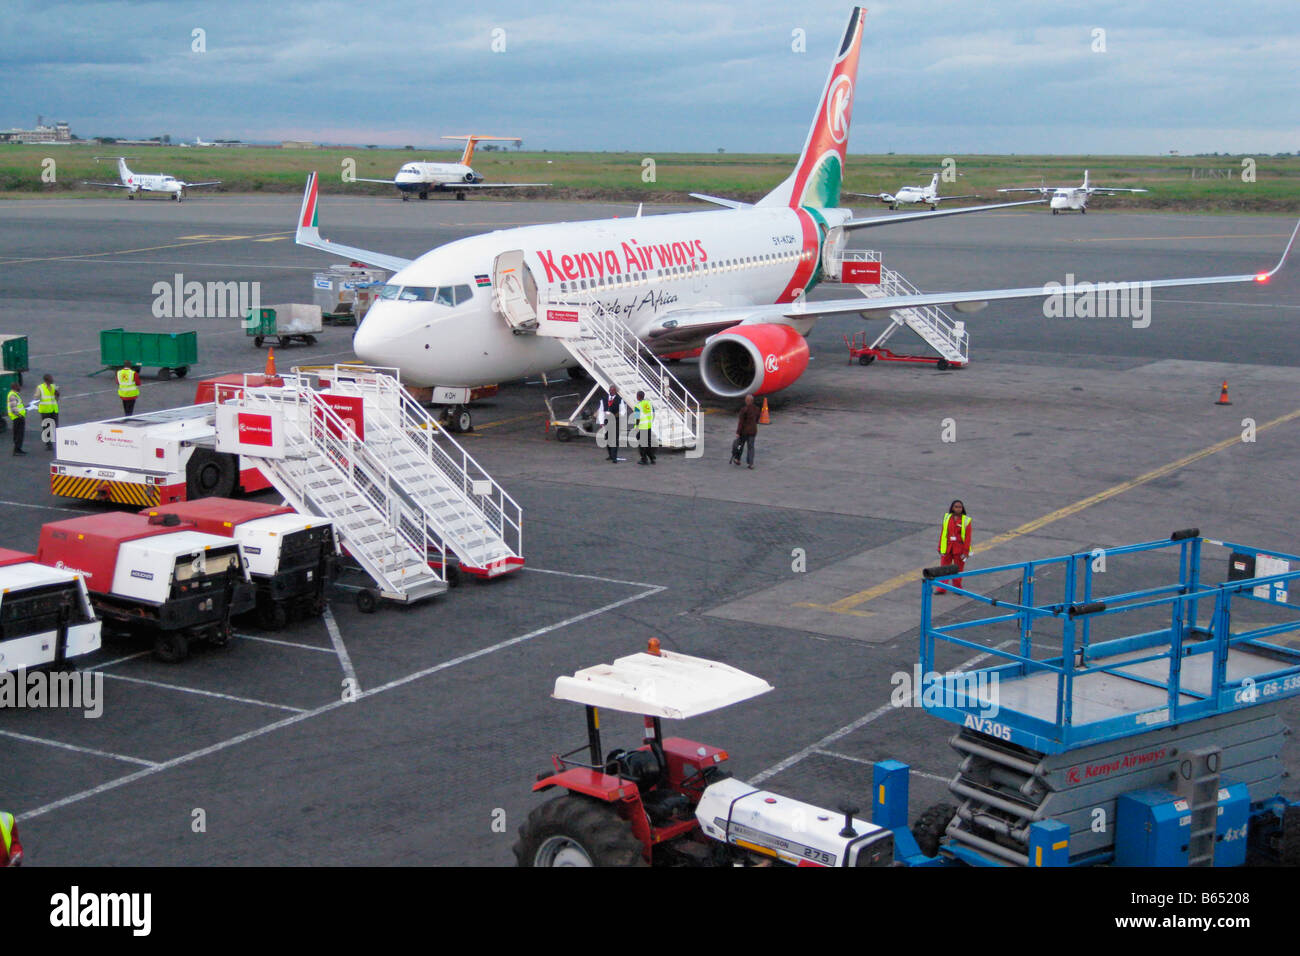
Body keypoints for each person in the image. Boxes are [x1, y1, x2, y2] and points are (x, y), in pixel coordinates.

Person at [937, 500, 971, 593]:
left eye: (960, 507)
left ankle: (957, 588)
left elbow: (968, 537)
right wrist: (940, 546)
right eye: (956, 507)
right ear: (952, 507)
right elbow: (943, 533)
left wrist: (966, 552)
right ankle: (941, 588)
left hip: (959, 549)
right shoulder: (947, 518)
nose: (958, 509)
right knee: (944, 568)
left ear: (962, 508)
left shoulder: (966, 520)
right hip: (947, 547)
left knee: (958, 569)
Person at [731, 393, 761, 469]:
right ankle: (751, 463)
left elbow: (740, 422)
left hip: (744, 432)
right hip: (753, 431)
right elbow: (757, 419)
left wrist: (738, 432)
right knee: (751, 447)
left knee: (740, 445)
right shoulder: (757, 409)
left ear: (746, 401)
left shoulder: (744, 410)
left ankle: (737, 459)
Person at [599, 385, 625, 462]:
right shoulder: (603, 399)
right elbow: (601, 411)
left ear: (616, 391)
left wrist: (617, 415)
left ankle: (614, 457)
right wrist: (601, 422)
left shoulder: (620, 400)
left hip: (615, 421)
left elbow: (623, 411)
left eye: (613, 390)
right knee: (607, 438)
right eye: (610, 390)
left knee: (614, 439)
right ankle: (610, 455)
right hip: (606, 421)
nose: (611, 392)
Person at [37, 373, 59, 451]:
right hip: (45, 411)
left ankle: (54, 441)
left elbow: (56, 398)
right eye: (50, 379)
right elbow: (36, 397)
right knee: (46, 428)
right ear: (46, 380)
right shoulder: (40, 388)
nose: (52, 380)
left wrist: (57, 393)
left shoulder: (54, 387)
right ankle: (48, 444)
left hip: (53, 410)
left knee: (55, 426)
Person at [633, 389, 656, 465]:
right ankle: (652, 458)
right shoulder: (649, 403)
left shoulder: (638, 406)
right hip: (648, 426)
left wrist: (636, 427)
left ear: (638, 397)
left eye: (637, 396)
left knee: (641, 444)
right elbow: (653, 412)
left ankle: (644, 459)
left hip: (642, 427)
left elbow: (637, 417)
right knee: (648, 444)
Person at [7, 380, 26, 455]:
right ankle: (16, 450)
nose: (19, 387)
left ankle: (18, 449)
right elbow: (14, 408)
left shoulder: (15, 394)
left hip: (18, 417)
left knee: (19, 434)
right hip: (17, 418)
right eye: (18, 386)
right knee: (18, 434)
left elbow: (18, 406)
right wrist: (20, 415)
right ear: (15, 387)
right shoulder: (12, 395)